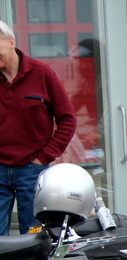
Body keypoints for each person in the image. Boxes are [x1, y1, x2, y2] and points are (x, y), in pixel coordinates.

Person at [0, 20, 76, 235]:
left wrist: (44, 157)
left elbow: (67, 119)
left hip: (32, 168)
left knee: (34, 235)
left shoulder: (42, 74)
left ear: (11, 41)